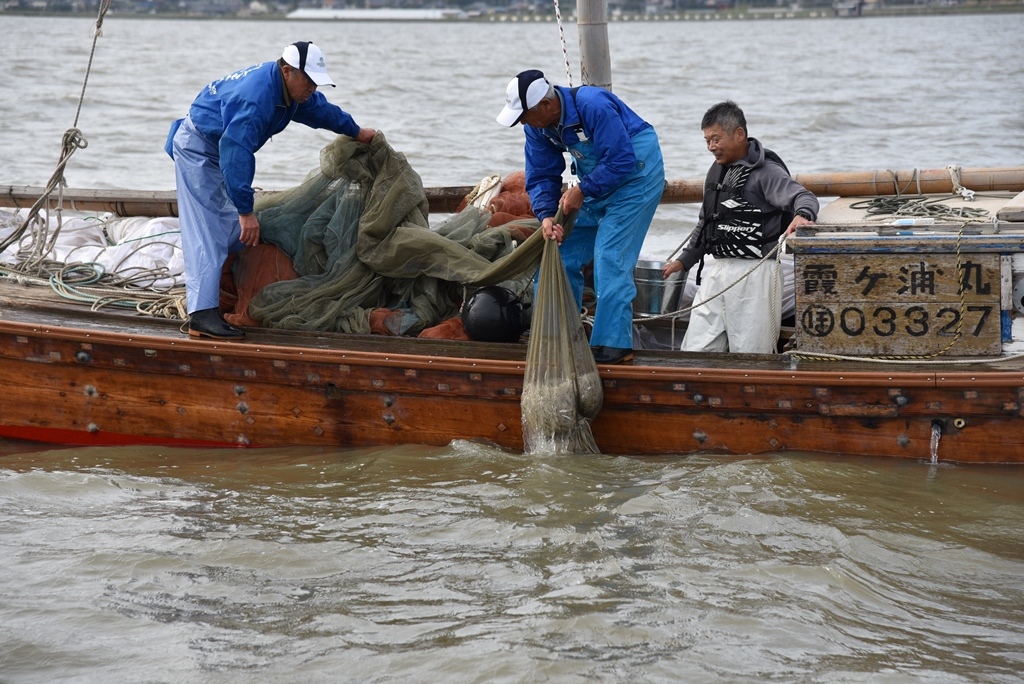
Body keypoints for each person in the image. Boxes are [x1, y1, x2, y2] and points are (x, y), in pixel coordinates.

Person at [165, 41, 376, 340]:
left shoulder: (291, 90)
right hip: (199, 151)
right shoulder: (256, 99)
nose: (312, 88)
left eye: (317, 82)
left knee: (228, 229)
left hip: (220, 149)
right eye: (309, 81)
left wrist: (355, 130)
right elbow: (236, 152)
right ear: (288, 71)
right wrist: (246, 211)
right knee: (208, 231)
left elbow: (319, 111)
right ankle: (201, 316)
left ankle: (223, 291)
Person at [496, 69, 665, 365]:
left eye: (524, 116)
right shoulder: (537, 127)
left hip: (636, 175)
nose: (522, 122)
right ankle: (557, 334)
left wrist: (583, 190)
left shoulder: (593, 104)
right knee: (558, 249)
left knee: (610, 257)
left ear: (546, 105)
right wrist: (548, 216)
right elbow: (540, 174)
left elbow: (622, 158)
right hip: (595, 181)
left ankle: (613, 345)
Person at [663, 100, 818, 354]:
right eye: (707, 141)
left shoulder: (766, 171)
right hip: (718, 271)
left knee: (750, 352)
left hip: (756, 273)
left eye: (716, 139)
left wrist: (802, 215)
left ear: (739, 134)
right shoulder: (716, 172)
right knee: (697, 348)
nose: (711, 147)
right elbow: (706, 223)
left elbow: (804, 197)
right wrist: (683, 261)